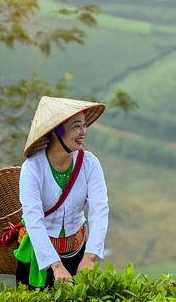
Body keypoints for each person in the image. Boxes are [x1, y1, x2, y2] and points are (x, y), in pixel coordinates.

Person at [12, 96, 110, 288]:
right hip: (39, 255)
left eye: (84, 125)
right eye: (76, 126)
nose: (84, 132)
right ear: (57, 130)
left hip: (77, 251)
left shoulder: (89, 163)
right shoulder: (33, 168)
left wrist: (90, 257)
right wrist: (55, 265)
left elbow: (99, 209)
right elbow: (33, 218)